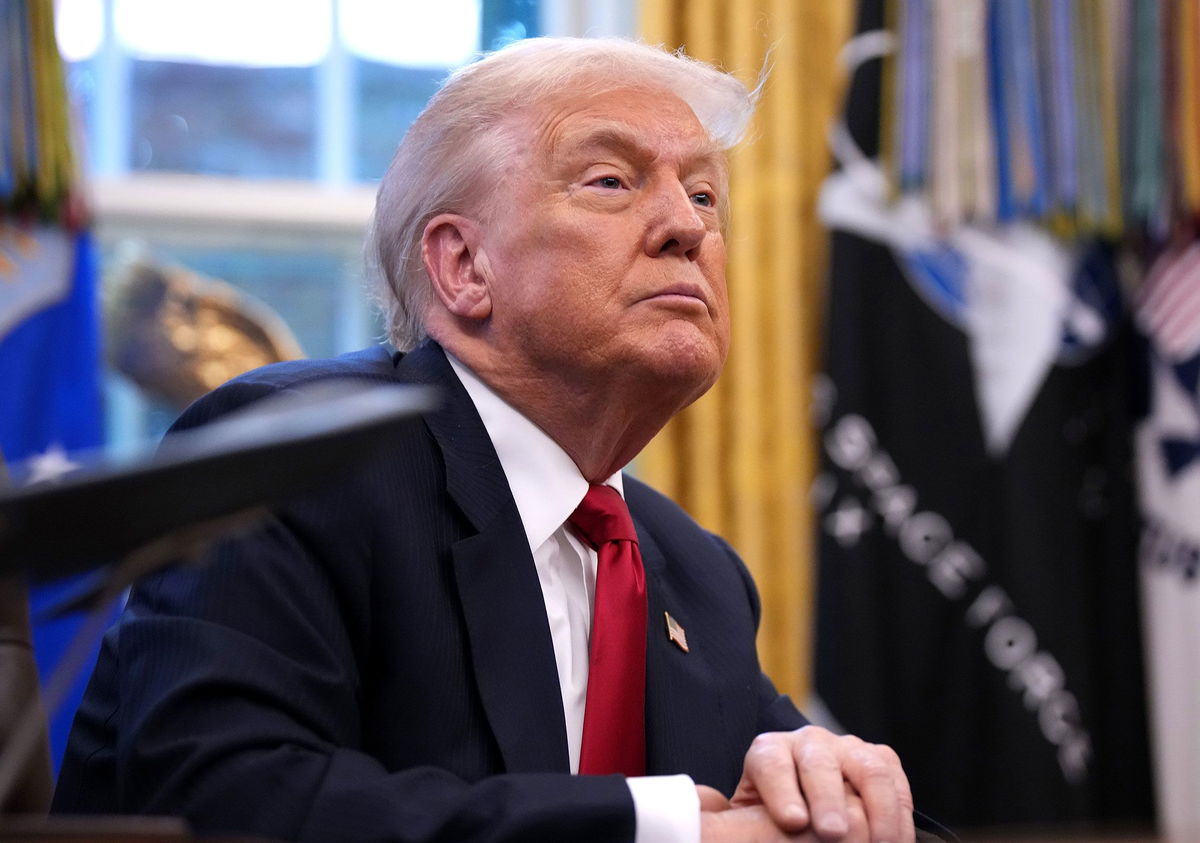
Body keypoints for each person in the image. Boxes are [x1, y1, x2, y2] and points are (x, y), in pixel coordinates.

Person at [53, 37, 923, 842]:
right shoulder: (292, 463)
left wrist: (844, 795)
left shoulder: (696, 575)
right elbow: (223, 802)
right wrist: (663, 826)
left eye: (703, 193)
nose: (688, 227)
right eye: (612, 182)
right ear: (465, 267)